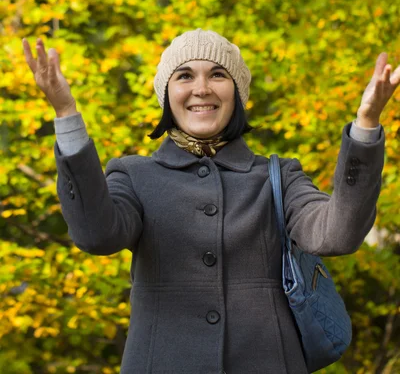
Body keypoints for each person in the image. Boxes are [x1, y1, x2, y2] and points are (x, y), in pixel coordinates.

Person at [22, 29, 399, 374]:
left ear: (238, 92)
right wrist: (66, 114)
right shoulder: (134, 175)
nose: (201, 88)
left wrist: (365, 126)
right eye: (184, 75)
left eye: (218, 74)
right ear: (166, 94)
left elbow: (338, 234)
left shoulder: (279, 175)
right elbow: (95, 235)